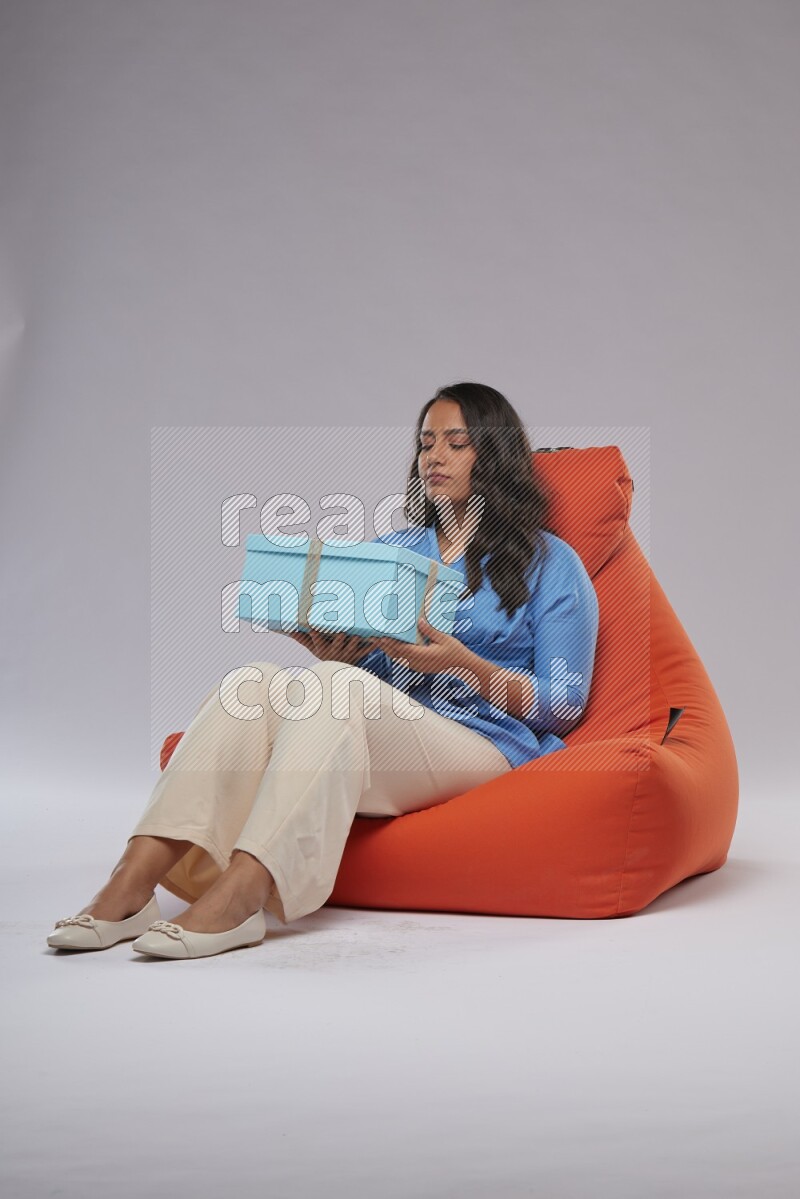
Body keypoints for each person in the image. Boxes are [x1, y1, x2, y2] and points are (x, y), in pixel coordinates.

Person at [47, 382, 600, 959]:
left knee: (336, 689)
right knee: (253, 682)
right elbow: (365, 684)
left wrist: (464, 664)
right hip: (392, 733)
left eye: (455, 443)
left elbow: (565, 702)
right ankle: (131, 883)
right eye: (425, 443)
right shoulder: (395, 548)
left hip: (486, 745)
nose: (432, 457)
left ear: (494, 457)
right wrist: (337, 654)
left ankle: (242, 895)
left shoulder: (552, 562)